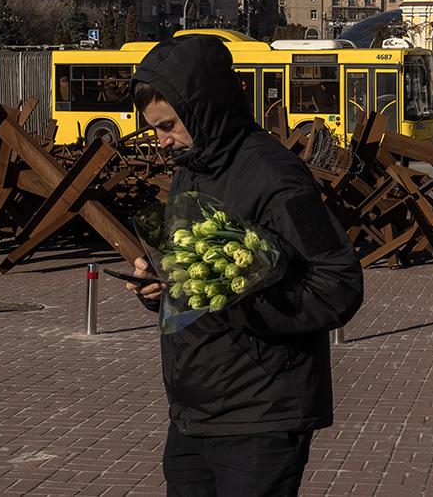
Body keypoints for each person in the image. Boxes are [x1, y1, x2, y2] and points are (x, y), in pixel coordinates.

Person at [125, 35, 364, 496]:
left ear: (204, 107)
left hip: (261, 411)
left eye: (169, 125)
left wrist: (241, 298)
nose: (162, 140)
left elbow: (339, 284)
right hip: (195, 411)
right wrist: (163, 283)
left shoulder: (276, 177)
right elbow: (192, 270)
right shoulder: (191, 169)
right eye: (154, 128)